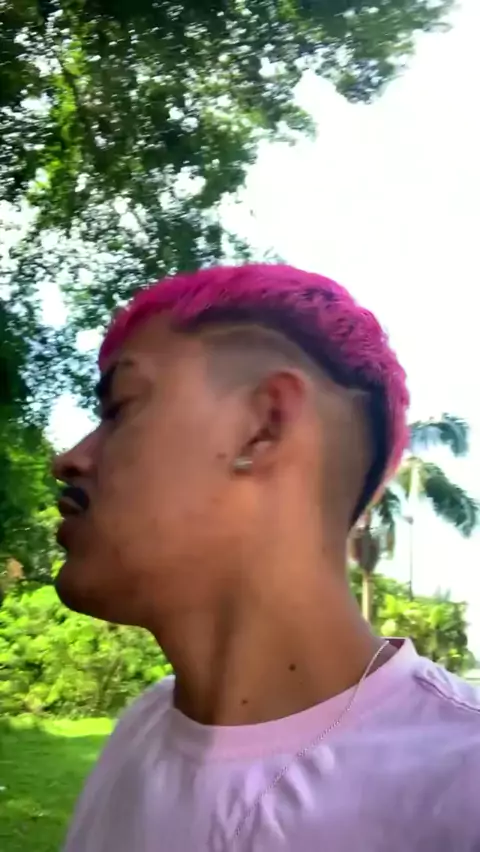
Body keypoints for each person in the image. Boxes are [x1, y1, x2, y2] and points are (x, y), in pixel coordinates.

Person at [54, 264, 480, 852]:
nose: (69, 459)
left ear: (265, 425)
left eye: (119, 408)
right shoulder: (139, 731)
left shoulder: (462, 786)